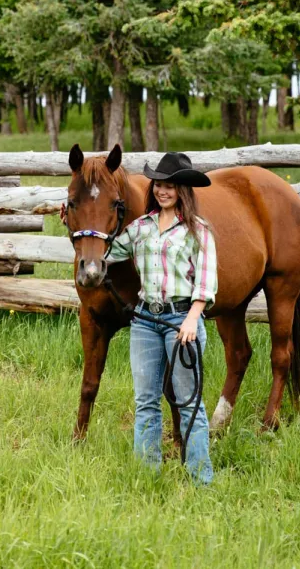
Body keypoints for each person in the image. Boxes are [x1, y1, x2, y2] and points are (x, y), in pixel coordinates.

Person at [106, 152, 218, 484]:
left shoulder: (199, 230)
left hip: (181, 321)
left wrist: (191, 320)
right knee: (145, 403)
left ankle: (201, 479)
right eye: (159, 185)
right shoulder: (140, 228)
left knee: (189, 404)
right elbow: (106, 253)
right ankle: (147, 477)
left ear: (183, 190)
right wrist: (77, 223)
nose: (162, 191)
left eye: (170, 186)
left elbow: (206, 282)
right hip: (144, 322)